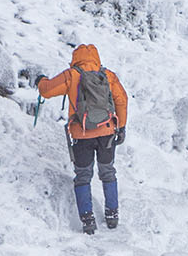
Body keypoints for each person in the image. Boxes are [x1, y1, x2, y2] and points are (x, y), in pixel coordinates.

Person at [35, 44, 128, 234]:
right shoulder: (108, 75)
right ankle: (112, 215)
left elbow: (46, 91)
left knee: (83, 176)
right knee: (108, 172)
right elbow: (122, 100)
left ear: (75, 57)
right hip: (107, 132)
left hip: (81, 133)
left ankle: (88, 221)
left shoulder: (72, 75)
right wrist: (122, 127)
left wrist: (40, 80)